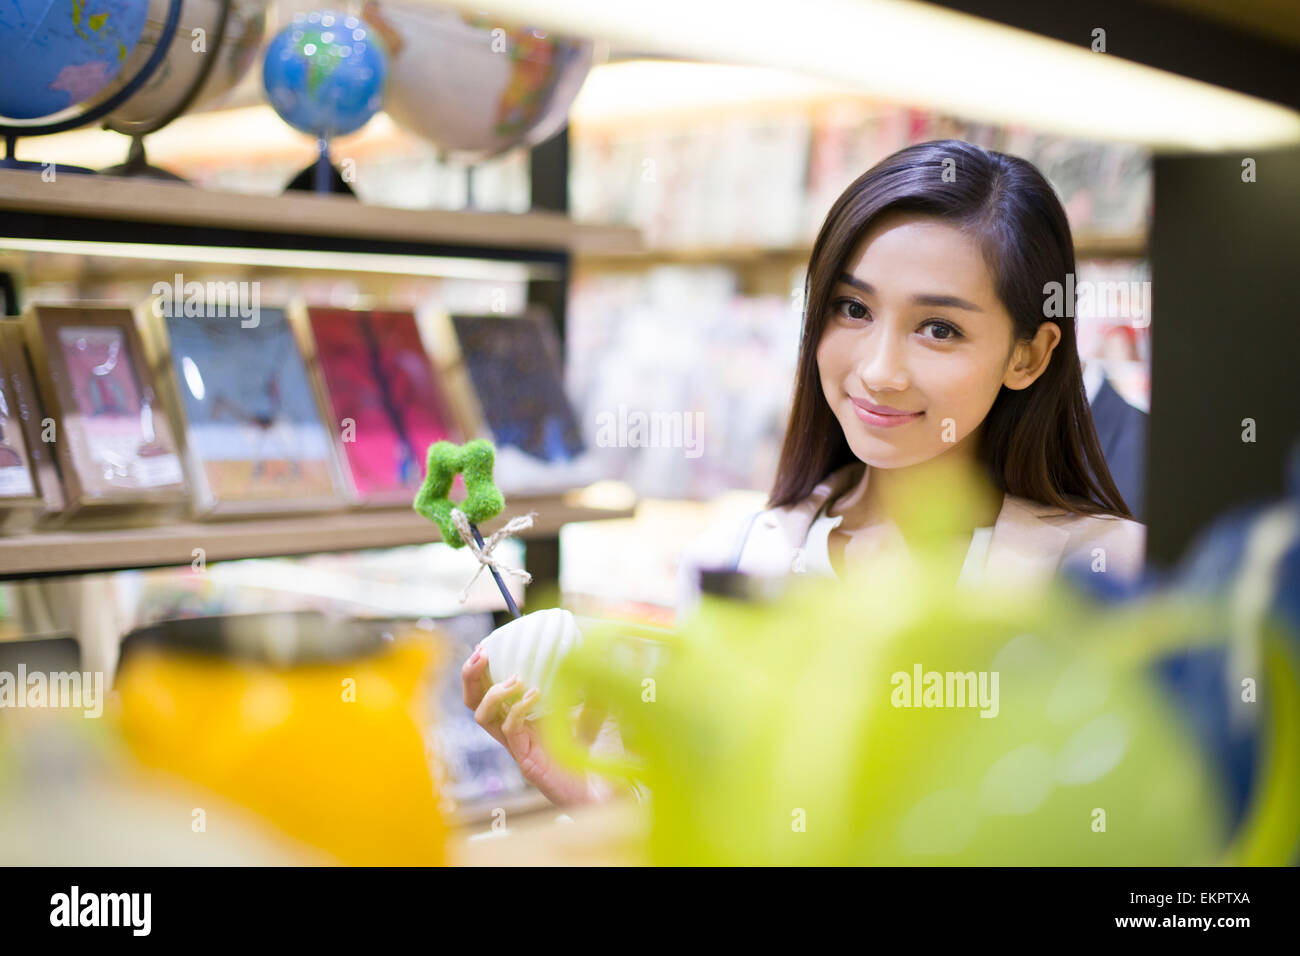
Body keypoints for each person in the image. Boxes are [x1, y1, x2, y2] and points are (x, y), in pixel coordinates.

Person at [462, 139, 1145, 807]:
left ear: (1029, 356)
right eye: (853, 309)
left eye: (938, 328)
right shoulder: (734, 556)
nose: (879, 370)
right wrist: (592, 796)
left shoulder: (1105, 577)